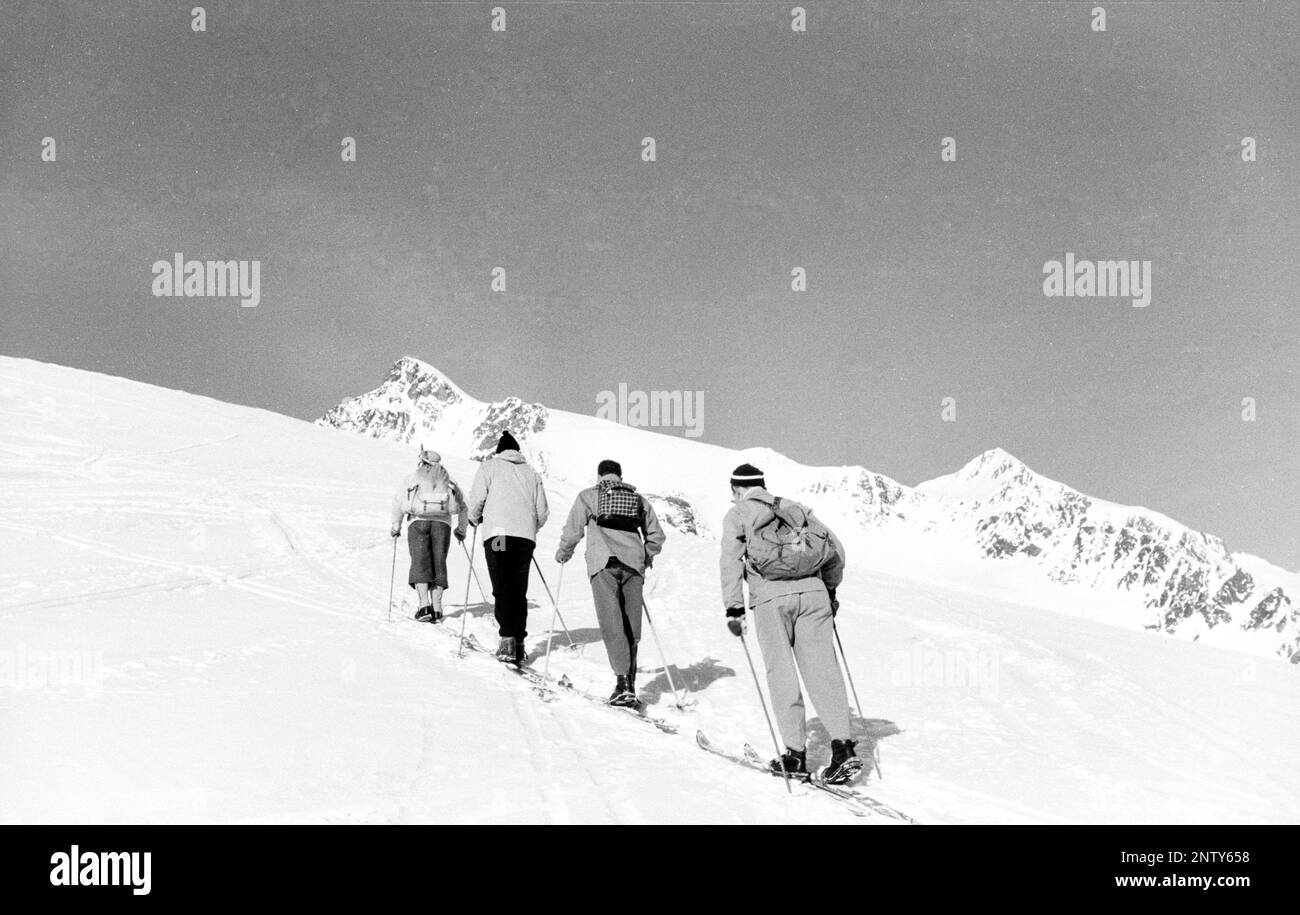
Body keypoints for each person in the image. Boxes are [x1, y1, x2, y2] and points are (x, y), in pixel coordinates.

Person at [719, 462, 862, 784]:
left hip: (770, 599)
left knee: (781, 673)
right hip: (813, 594)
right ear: (763, 485)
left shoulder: (739, 513)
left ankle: (795, 755)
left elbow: (730, 558)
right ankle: (843, 748)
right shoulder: (794, 508)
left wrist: (734, 607)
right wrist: (828, 589)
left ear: (736, 489)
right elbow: (835, 549)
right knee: (824, 670)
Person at [555, 459, 667, 706]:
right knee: (631, 626)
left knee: (612, 624)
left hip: (603, 563)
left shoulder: (589, 496)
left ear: (599, 475)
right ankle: (631, 684)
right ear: (620, 476)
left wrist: (564, 552)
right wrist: (646, 555)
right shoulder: (638, 499)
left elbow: (573, 529)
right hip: (633, 566)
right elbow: (656, 535)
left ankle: (622, 684)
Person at [466, 431, 549, 665]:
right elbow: (542, 511)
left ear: (499, 451)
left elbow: (477, 498)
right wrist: (529, 528)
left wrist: (474, 518)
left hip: (499, 535)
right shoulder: (532, 473)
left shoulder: (489, 467)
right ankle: (519, 642)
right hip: (524, 539)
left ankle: (507, 640)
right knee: (518, 587)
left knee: (502, 584)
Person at [390, 449, 468, 622]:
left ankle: (424, 606)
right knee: (439, 562)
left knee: (420, 561)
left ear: (423, 462)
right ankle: (438, 609)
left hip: (417, 522)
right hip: (443, 524)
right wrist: (461, 530)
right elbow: (462, 506)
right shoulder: (449, 480)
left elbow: (399, 502)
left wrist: (396, 526)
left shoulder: (413, 478)